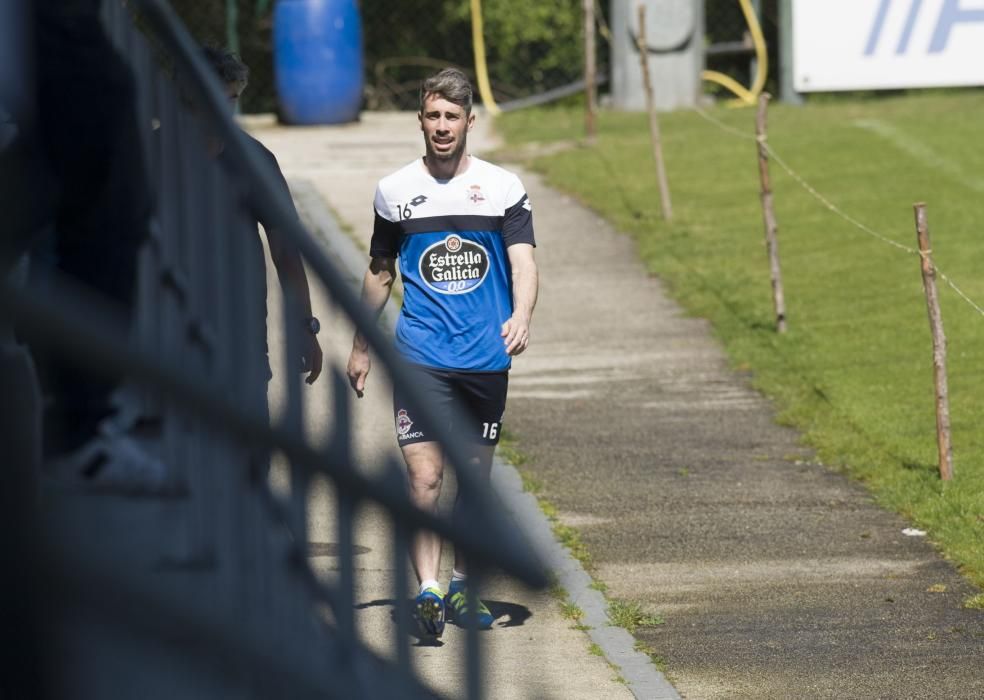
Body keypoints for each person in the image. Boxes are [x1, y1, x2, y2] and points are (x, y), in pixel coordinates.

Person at [346, 68, 538, 638]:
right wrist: (361, 346)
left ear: (469, 122)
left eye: (452, 117)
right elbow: (380, 271)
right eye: (433, 116)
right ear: (421, 121)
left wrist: (522, 314)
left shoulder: (503, 188)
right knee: (425, 477)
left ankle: (458, 587)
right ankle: (428, 590)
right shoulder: (396, 190)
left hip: (484, 359)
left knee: (471, 484)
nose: (442, 127)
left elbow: (524, 262)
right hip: (420, 355)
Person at [202, 46, 323, 386]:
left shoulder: (257, 161)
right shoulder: (155, 154)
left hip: (242, 336)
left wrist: (305, 327)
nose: (224, 108)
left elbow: (287, 252)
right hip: (171, 333)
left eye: (232, 98)